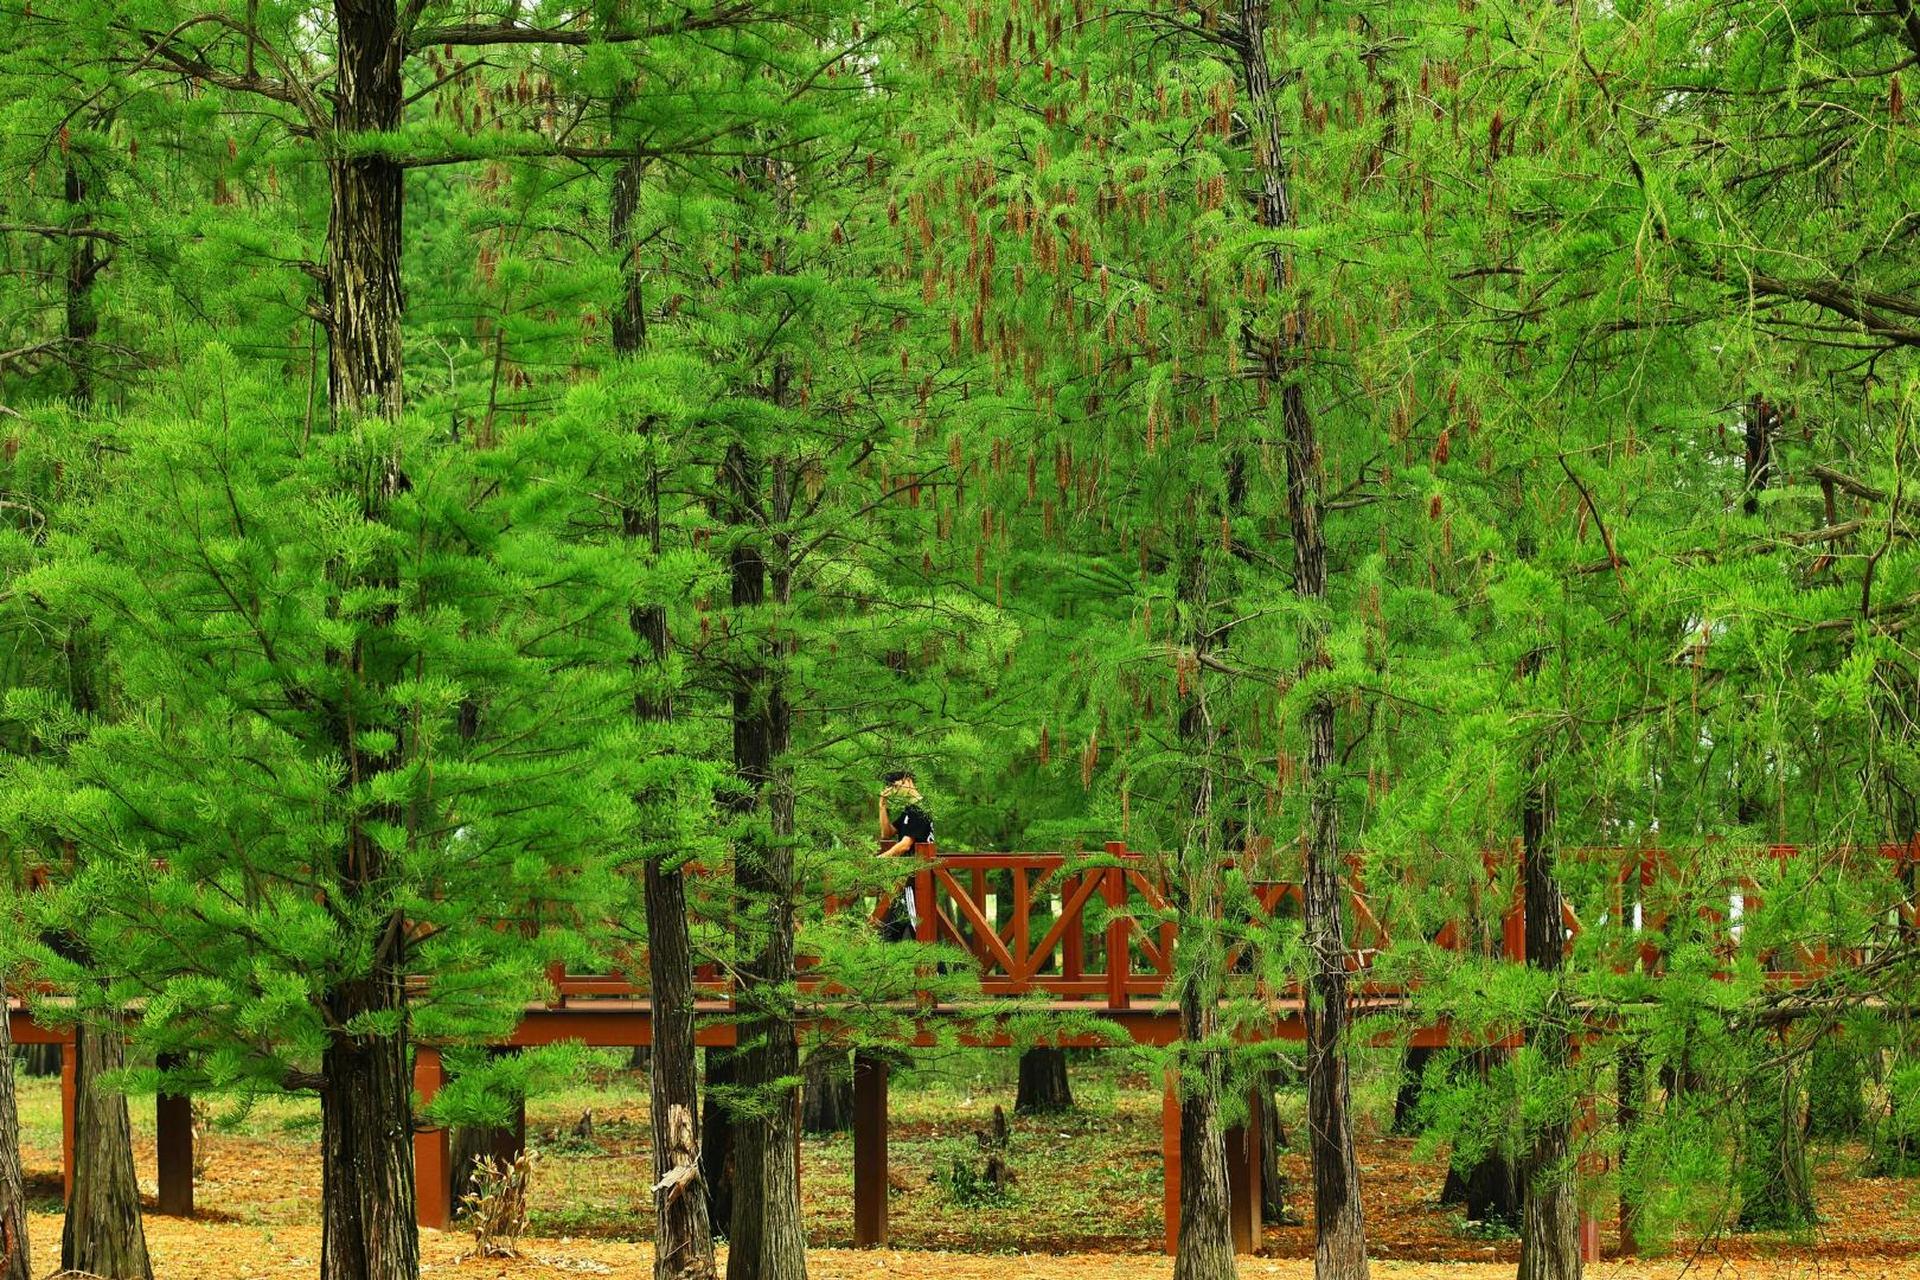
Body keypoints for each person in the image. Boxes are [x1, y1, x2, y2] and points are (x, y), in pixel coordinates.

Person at [878, 769, 932, 942]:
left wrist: (880, 859)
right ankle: (888, 967)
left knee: (920, 930)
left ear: (908, 780)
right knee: (889, 930)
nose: (894, 791)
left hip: (915, 878)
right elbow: (887, 833)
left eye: (895, 785)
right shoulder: (909, 811)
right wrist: (882, 806)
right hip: (905, 879)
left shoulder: (921, 809)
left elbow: (905, 845)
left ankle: (938, 970)